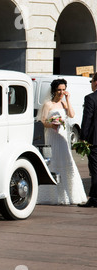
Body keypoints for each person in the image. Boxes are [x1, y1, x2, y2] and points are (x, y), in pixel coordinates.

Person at [37, 78, 87, 205]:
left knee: (67, 161)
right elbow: (43, 121)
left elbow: (71, 115)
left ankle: (69, 194)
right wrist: (52, 124)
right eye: (59, 90)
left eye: (63, 90)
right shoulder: (48, 104)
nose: (61, 92)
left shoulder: (64, 103)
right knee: (53, 161)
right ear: (54, 90)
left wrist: (68, 100)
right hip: (53, 136)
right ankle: (53, 195)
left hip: (63, 137)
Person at [78, 73, 97, 207]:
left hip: (95, 141)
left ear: (96, 82)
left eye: (91, 81)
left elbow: (87, 120)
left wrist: (83, 138)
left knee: (95, 170)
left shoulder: (91, 98)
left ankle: (94, 198)